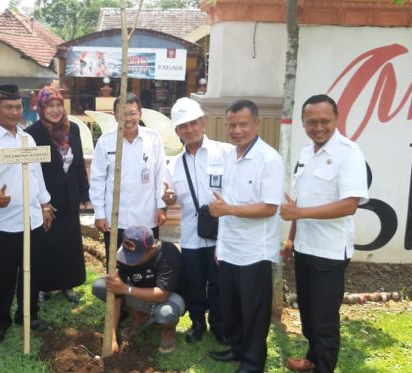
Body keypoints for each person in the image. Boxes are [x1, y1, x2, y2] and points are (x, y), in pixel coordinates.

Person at [280, 94, 368, 373]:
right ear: (304, 123)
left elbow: (350, 204)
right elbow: (300, 202)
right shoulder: (307, 153)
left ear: (336, 119)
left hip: (329, 252)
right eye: (311, 122)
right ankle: (312, 358)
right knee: (307, 313)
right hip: (305, 247)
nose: (318, 127)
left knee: (324, 320)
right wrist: (291, 238)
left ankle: (323, 367)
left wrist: (299, 215)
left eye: (324, 121)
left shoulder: (349, 153)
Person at [0, 84, 54, 344]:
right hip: (3, 223)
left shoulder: (27, 139)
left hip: (32, 220)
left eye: (18, 107)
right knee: (1, 275)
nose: (14, 112)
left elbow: (37, 175)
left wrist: (45, 204)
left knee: (33, 271)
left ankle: (28, 314)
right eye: (8, 107)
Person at [207, 100, 283, 373]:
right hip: (230, 249)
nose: (237, 130)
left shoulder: (269, 159)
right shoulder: (229, 156)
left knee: (254, 311)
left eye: (243, 124)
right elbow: (224, 201)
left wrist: (228, 210)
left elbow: (269, 207)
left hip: (255, 251)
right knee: (233, 306)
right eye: (232, 125)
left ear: (256, 124)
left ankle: (253, 362)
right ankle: (236, 348)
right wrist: (221, 244)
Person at [162, 97, 232, 345]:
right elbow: (168, 198)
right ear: (177, 131)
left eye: (193, 123)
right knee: (194, 283)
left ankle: (220, 326)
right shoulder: (174, 164)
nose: (189, 129)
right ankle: (197, 324)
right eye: (183, 126)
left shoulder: (225, 153)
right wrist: (168, 198)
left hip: (221, 236)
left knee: (218, 283)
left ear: (204, 123)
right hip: (191, 235)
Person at [25, 87, 89, 304]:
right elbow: (31, 171)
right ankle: (45, 285)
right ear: (41, 108)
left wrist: (83, 192)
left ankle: (67, 283)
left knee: (69, 241)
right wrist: (40, 202)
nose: (55, 110)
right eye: (50, 105)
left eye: (58, 105)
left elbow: (78, 163)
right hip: (46, 200)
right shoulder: (32, 134)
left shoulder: (74, 131)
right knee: (47, 242)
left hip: (69, 196)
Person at [89, 93, 167, 261]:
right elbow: (97, 180)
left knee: (148, 263)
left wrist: (161, 206)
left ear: (140, 114)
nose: (128, 118)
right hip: (116, 218)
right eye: (122, 113)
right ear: (115, 115)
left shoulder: (153, 139)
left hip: (147, 216)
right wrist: (99, 213)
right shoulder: (105, 142)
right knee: (116, 263)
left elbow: (161, 174)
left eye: (132, 112)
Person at [91, 226, 185, 354]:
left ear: (151, 248)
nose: (129, 261)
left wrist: (125, 289)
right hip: (139, 292)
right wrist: (111, 337)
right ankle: (139, 316)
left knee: (165, 314)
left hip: (168, 297)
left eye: (136, 256)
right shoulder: (124, 253)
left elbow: (162, 295)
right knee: (101, 286)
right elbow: (116, 296)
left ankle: (168, 331)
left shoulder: (168, 253)